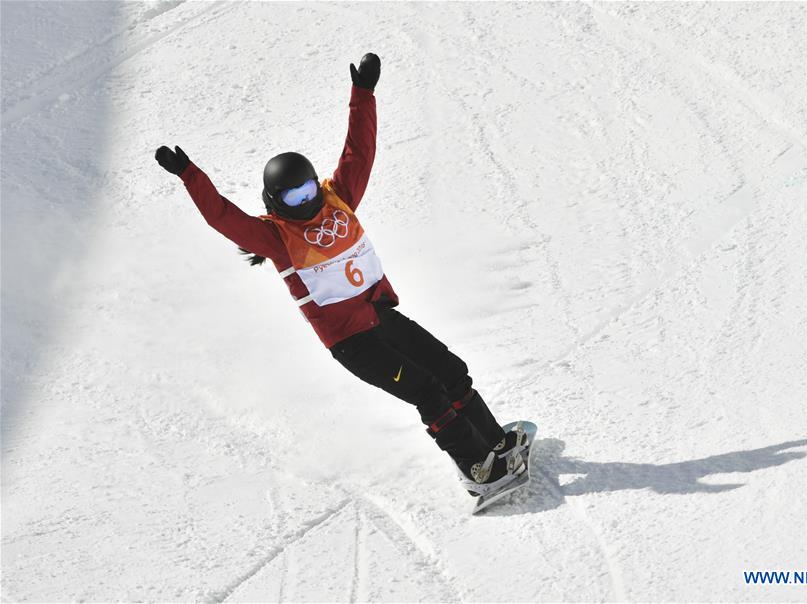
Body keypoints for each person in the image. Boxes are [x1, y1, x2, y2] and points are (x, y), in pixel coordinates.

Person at [154, 53, 527, 496]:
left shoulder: (339, 198)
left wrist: (363, 94)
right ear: (276, 202)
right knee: (428, 391)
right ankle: (478, 471)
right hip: (353, 342)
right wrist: (189, 175)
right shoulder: (276, 238)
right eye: (293, 196)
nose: (305, 200)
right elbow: (221, 216)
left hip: (381, 316)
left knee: (450, 370)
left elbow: (359, 151)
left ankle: (496, 444)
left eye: (308, 188)